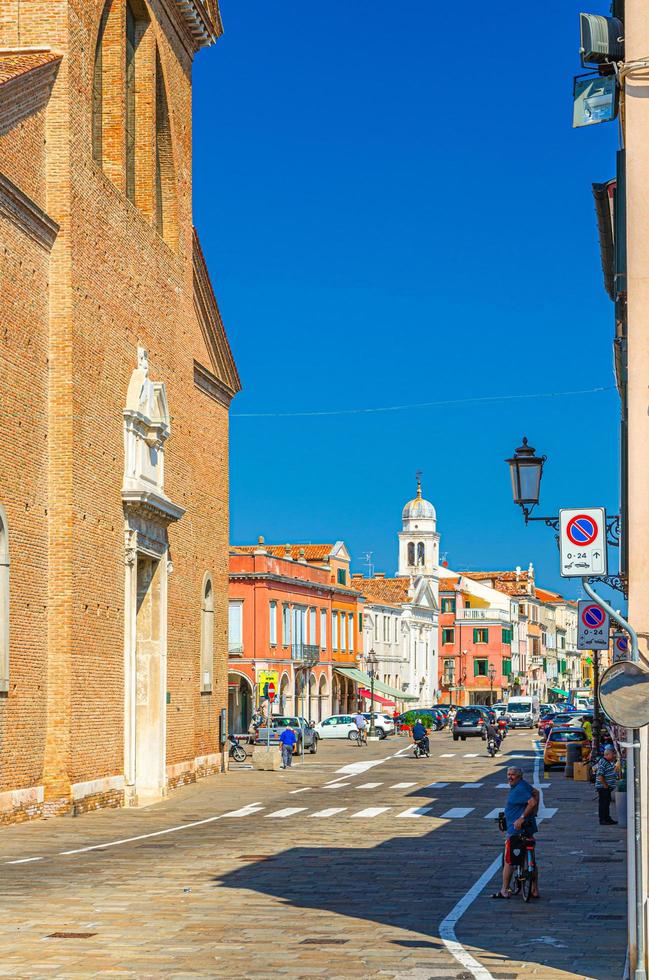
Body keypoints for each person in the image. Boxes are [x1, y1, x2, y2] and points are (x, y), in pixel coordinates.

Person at [493, 766, 540, 899]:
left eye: (512, 775)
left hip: (516, 830)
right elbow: (536, 793)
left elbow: (532, 801)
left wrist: (522, 817)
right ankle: (534, 889)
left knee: (509, 861)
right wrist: (534, 813)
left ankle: (504, 890)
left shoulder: (519, 788)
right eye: (508, 774)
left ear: (519, 776)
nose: (509, 777)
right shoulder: (524, 786)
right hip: (528, 828)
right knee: (530, 859)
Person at [595, 745, 618, 825]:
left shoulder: (608, 762)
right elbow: (600, 775)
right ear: (607, 754)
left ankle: (607, 818)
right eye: (612, 754)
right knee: (603, 804)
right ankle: (603, 819)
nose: (614, 756)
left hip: (606, 787)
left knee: (606, 803)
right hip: (603, 788)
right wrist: (606, 786)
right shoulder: (603, 762)